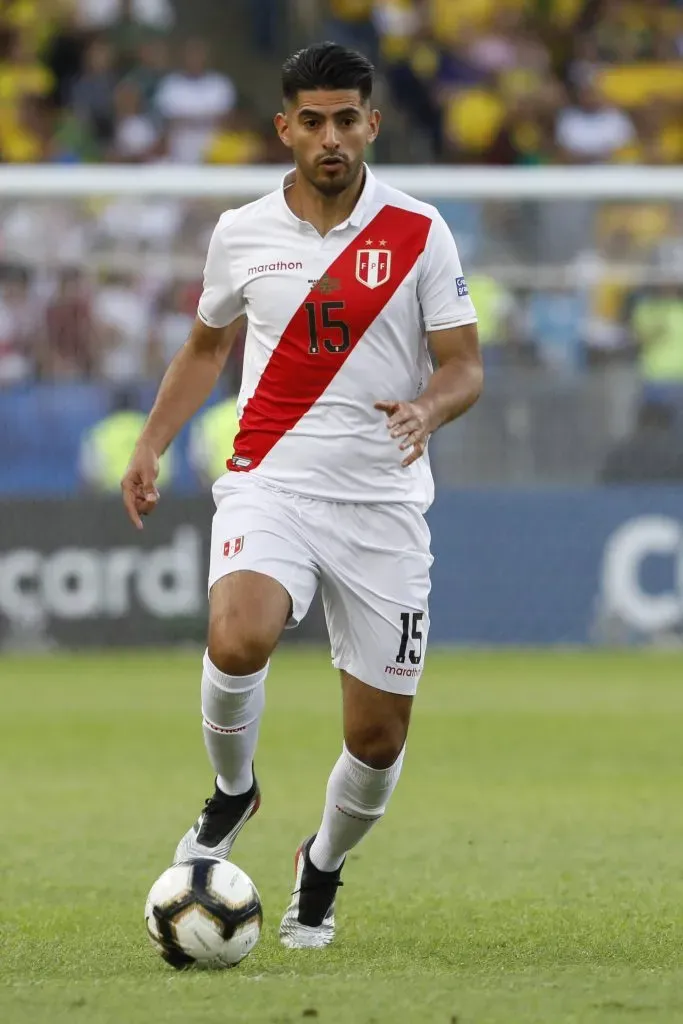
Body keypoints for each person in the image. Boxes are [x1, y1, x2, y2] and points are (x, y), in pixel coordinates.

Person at [121, 42, 482, 949]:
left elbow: (464, 365)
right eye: (312, 122)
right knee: (237, 635)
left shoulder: (418, 231)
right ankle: (233, 790)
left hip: (381, 505)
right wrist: (150, 442)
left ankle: (319, 865)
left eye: (346, 120)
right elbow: (206, 347)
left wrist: (428, 409)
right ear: (284, 127)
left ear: (372, 124)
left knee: (377, 741)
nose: (330, 138)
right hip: (268, 482)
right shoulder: (241, 231)